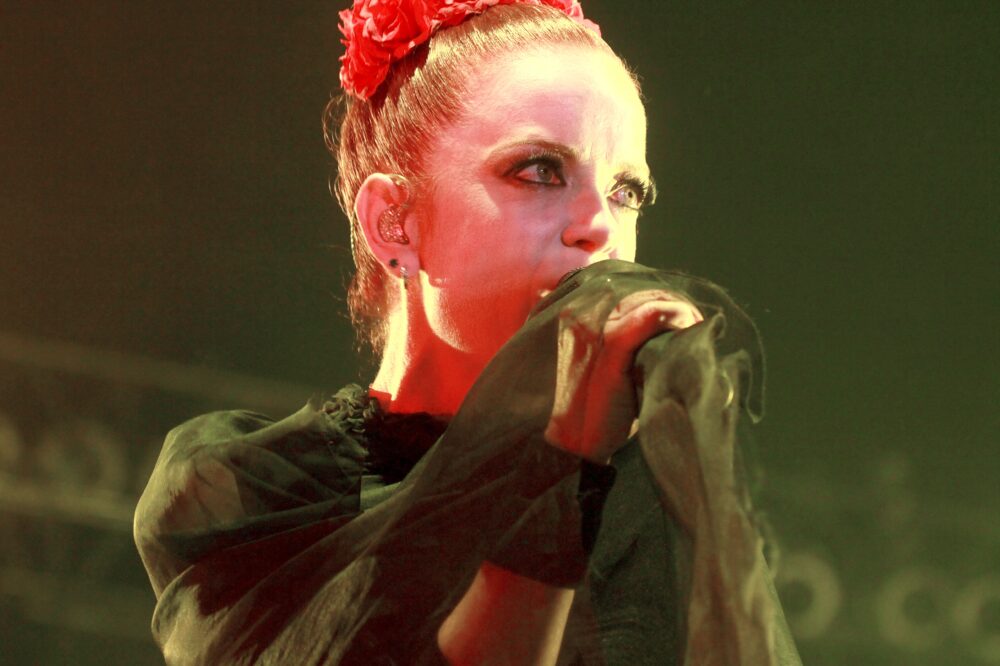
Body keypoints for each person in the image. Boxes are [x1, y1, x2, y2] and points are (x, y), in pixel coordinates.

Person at [134, 1, 802, 664]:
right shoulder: (252, 496)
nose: (600, 225)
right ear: (394, 222)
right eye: (539, 171)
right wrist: (561, 466)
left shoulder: (643, 510)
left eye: (626, 192)